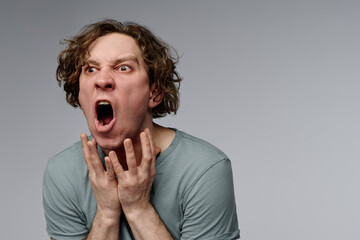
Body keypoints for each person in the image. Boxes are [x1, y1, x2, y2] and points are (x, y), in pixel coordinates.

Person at [43, 19, 240, 240]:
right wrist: (107, 214)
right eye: (91, 69)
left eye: (123, 67)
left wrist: (138, 209)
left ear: (154, 93)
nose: (102, 79)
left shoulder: (204, 170)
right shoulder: (62, 173)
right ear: (79, 92)